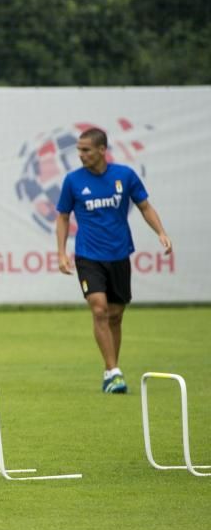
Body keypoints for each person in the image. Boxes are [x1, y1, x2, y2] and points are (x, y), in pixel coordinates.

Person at [56, 127, 172, 394]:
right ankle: (113, 371)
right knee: (99, 309)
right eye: (79, 150)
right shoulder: (73, 181)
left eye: (86, 150)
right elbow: (62, 217)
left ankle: (111, 369)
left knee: (116, 315)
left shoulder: (125, 176)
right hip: (88, 255)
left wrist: (161, 232)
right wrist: (61, 252)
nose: (81, 155)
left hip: (119, 254)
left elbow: (144, 206)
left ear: (101, 150)